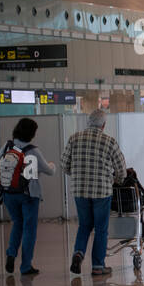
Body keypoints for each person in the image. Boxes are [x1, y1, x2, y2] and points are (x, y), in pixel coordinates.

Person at [60, 109, 126, 277]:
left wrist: (76, 175)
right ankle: (98, 265)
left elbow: (64, 164)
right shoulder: (109, 141)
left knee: (84, 225)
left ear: (88, 122)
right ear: (103, 125)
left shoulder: (74, 138)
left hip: (79, 190)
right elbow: (121, 169)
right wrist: (116, 180)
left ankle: (78, 253)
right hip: (102, 191)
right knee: (101, 229)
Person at [0, 117, 55, 276]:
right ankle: (26, 266)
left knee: (17, 223)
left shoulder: (7, 147)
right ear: (31, 133)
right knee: (29, 229)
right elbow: (49, 170)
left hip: (8, 193)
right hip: (29, 195)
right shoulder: (32, 150)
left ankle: (11, 254)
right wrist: (52, 165)